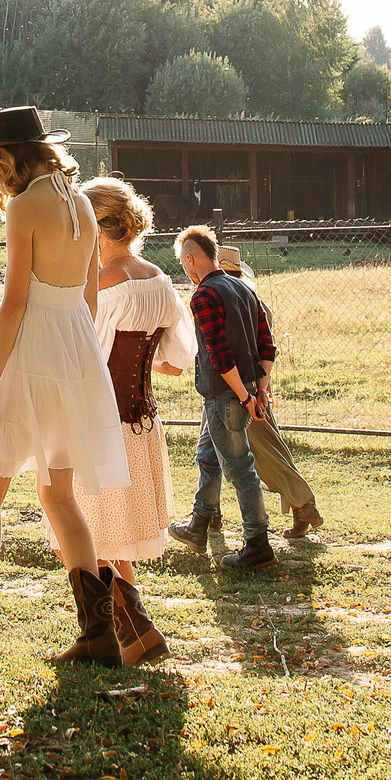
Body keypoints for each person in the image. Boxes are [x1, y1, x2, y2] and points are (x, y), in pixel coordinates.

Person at [0, 106, 160, 666]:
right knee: (58, 494)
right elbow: (86, 299)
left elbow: (13, 304)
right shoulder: (80, 203)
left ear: (6, 156)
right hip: (75, 352)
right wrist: (69, 350)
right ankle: (98, 632)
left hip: (31, 354)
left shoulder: (25, 207)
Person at [46, 176, 192, 614]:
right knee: (113, 536)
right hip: (142, 421)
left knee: (81, 532)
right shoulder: (159, 279)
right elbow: (178, 358)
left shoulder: (103, 281)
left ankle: (126, 625)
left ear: (92, 225)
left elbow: (81, 355)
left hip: (102, 423)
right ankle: (133, 624)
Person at [167, 225, 277, 571]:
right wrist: (261, 389)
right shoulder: (244, 289)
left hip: (224, 394)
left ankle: (257, 542)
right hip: (240, 391)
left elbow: (219, 355)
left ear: (190, 259)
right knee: (207, 456)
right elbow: (267, 343)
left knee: (240, 468)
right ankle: (199, 524)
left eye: (183, 263)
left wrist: (246, 398)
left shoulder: (203, 296)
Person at [218, 245, 325, 539]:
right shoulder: (256, 301)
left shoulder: (230, 302)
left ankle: (302, 502)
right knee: (264, 447)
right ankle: (208, 512)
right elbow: (268, 348)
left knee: (263, 452)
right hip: (255, 385)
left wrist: (254, 392)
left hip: (242, 388)